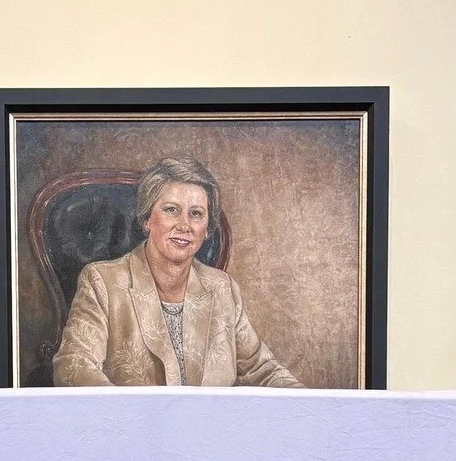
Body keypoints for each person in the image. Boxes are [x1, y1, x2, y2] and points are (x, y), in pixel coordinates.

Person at [52, 156, 300, 388]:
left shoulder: (223, 288)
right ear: (147, 220)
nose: (184, 225)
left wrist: (315, 411)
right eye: (171, 210)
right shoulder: (102, 282)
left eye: (196, 214)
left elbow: (262, 369)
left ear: (207, 229)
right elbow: (73, 366)